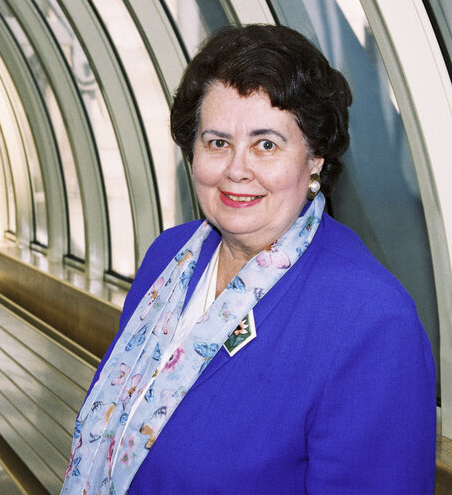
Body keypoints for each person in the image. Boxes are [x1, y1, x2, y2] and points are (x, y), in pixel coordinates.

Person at [61, 24, 435, 494]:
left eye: (266, 145)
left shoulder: (372, 322)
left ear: (315, 156)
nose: (237, 169)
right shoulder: (168, 259)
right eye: (218, 142)